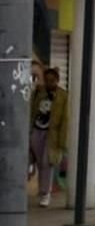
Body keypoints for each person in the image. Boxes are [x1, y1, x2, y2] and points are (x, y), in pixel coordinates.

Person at [29, 68, 69, 207]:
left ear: (57, 80)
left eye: (52, 80)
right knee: (39, 162)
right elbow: (32, 110)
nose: (49, 83)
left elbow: (65, 119)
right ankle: (42, 191)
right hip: (36, 130)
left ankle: (46, 193)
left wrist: (63, 141)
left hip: (52, 134)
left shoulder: (63, 96)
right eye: (47, 80)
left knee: (47, 162)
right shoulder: (39, 93)